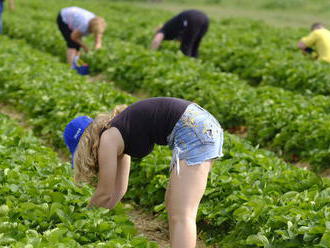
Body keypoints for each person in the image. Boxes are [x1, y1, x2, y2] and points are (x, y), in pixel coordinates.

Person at [63, 97, 224, 248]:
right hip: (199, 126)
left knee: (182, 212)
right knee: (173, 205)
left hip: (195, 129)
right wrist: (97, 219)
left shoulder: (108, 139)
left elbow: (104, 192)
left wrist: (80, 221)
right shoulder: (118, 134)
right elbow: (118, 191)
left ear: (85, 144)